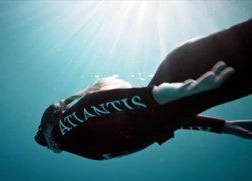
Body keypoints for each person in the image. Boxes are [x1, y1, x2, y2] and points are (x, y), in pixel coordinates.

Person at [34, 18, 252, 160]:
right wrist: (224, 126)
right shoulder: (63, 129)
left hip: (187, 77)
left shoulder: (72, 136)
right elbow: (91, 106)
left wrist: (159, 95)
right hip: (187, 82)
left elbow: (150, 117)